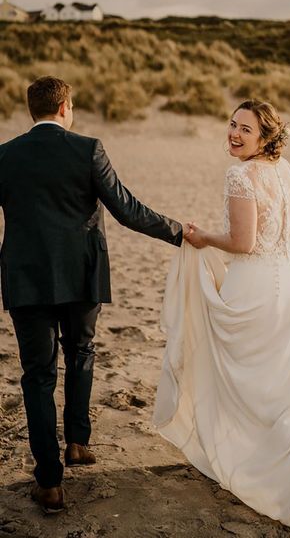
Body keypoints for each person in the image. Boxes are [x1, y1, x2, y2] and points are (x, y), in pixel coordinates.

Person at [0, 76, 189, 514]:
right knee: (82, 352)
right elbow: (127, 208)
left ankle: (49, 483)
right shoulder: (88, 149)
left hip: (26, 279)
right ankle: (78, 444)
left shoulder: (5, 155)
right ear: (66, 106)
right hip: (81, 276)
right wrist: (178, 232)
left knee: (37, 375)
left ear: (33, 110)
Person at [153, 99, 290, 531]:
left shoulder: (240, 175)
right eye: (232, 124)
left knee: (238, 380)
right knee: (280, 384)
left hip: (251, 288)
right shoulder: (285, 170)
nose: (233, 133)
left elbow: (242, 242)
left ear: (265, 137)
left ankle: (251, 463)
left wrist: (201, 237)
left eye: (245, 129)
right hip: (286, 287)